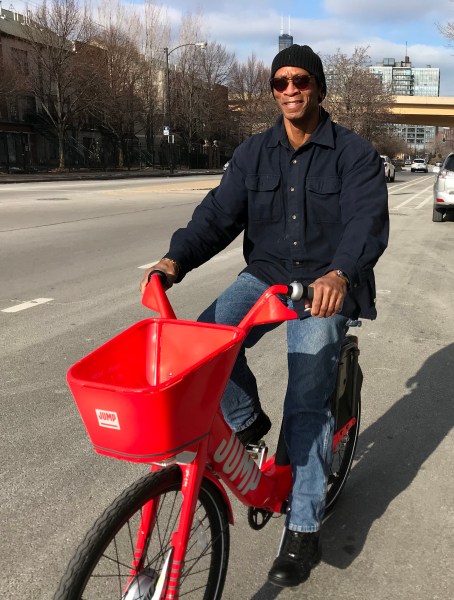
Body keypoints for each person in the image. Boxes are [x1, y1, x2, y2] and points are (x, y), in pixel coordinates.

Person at [140, 44, 389, 587]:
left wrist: (339, 274)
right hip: (268, 276)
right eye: (280, 82)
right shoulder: (255, 153)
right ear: (272, 91)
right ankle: (250, 422)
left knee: (307, 395)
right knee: (202, 345)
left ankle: (302, 525)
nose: (291, 89)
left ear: (319, 87)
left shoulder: (354, 153)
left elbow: (366, 222)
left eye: (301, 80)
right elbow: (218, 213)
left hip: (323, 286)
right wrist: (174, 259)